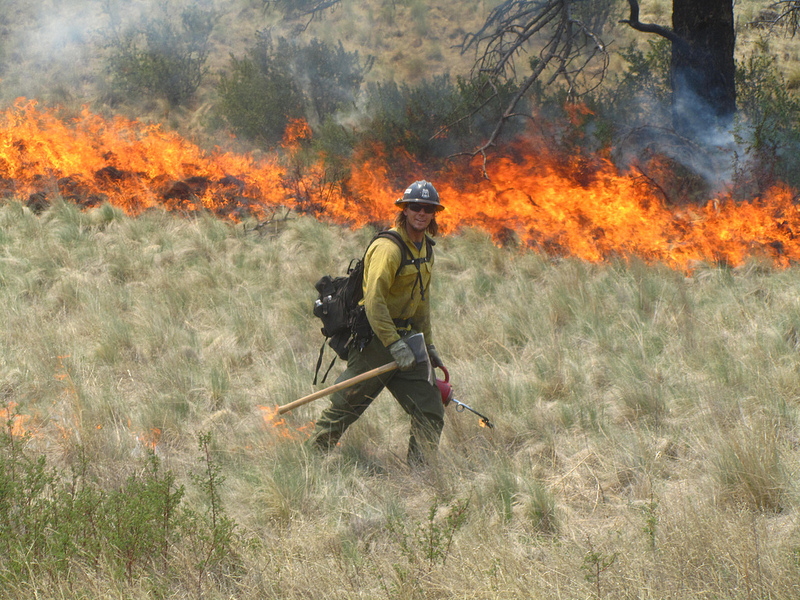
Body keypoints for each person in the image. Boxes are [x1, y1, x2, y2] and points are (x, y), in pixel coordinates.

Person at [309, 180, 446, 466]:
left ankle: (420, 474)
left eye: (428, 208)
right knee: (346, 406)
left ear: (434, 213)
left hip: (408, 342)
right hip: (375, 342)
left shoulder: (426, 251)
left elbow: (422, 303)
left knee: (430, 408)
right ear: (405, 211)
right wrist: (393, 344)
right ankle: (308, 460)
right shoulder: (389, 248)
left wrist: (428, 345)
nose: (421, 212)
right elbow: (374, 303)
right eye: (415, 207)